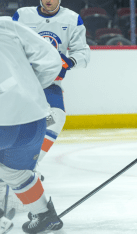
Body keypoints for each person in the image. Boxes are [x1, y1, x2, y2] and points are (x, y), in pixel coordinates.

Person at [0, 17, 63, 233]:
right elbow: (52, 59)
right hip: (33, 119)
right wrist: (31, 86)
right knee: (15, 173)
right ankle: (45, 215)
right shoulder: (6, 24)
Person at [12, 0, 91, 169]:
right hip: (21, 82)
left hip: (49, 83)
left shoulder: (72, 19)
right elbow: (8, 44)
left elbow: (83, 53)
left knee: (55, 117)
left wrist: (69, 62)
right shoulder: (23, 15)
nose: (49, 0)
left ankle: (27, 165)